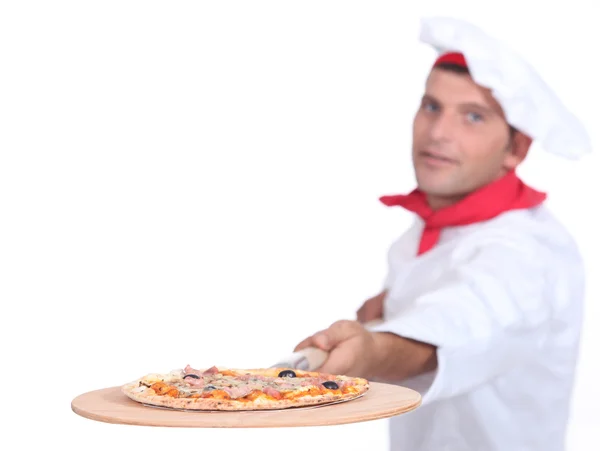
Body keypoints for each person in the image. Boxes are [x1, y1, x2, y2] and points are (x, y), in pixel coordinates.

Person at [292, 16, 592, 451]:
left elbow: (456, 327)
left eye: (473, 116)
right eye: (432, 106)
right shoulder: (423, 233)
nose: (438, 133)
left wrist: (373, 351)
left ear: (516, 148)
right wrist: (382, 317)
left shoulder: (526, 252)